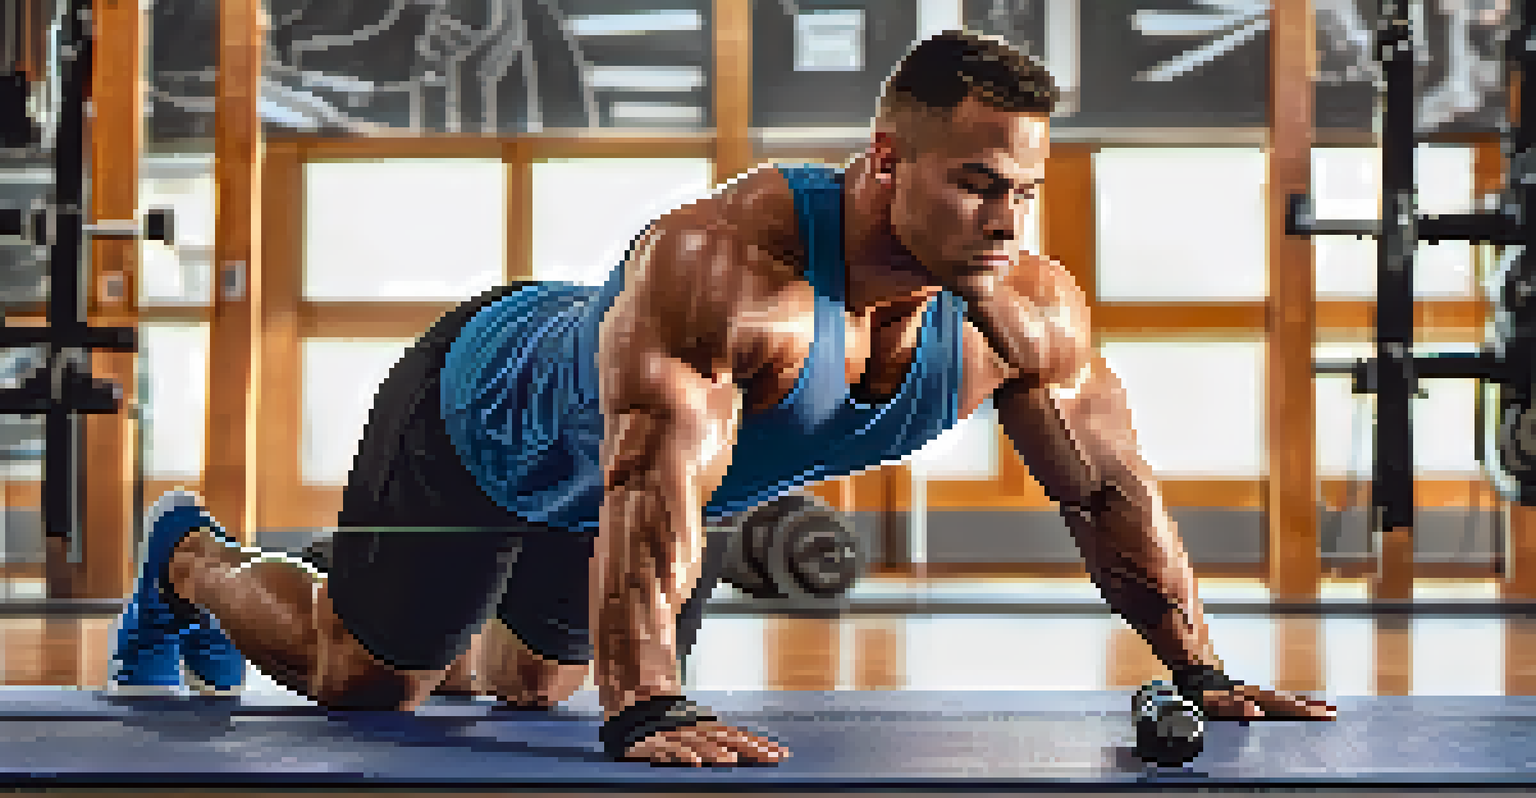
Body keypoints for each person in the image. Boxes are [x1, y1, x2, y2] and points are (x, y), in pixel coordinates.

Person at [109, 30, 1337, 767]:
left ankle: (405, 580)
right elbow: (650, 476)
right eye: (976, 184)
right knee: (368, 684)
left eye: (1024, 188)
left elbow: (1110, 492)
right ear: (889, 160)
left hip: (624, 479)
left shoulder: (1023, 307)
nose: (1007, 220)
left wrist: (1201, 667)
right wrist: (646, 702)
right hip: (481, 421)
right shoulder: (729, 270)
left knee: (535, 687)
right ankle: (194, 561)